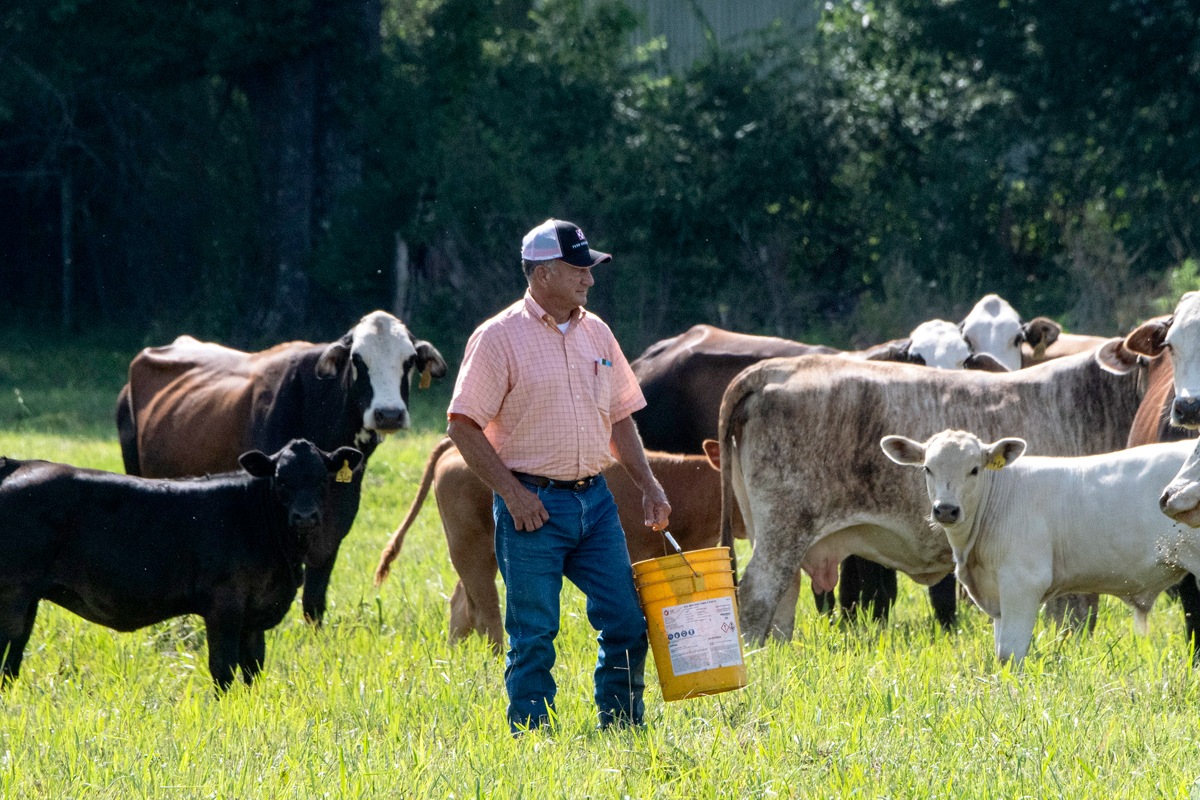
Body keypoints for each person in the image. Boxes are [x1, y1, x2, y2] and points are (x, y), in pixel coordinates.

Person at [446, 218, 671, 734]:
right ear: (542, 274)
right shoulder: (498, 338)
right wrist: (513, 494)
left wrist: (649, 485)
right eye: (578, 270)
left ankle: (622, 727)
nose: (590, 279)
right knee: (533, 636)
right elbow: (462, 425)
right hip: (532, 509)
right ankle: (532, 739)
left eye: (590, 270)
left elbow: (619, 418)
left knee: (627, 623)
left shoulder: (599, 332)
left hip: (595, 504)